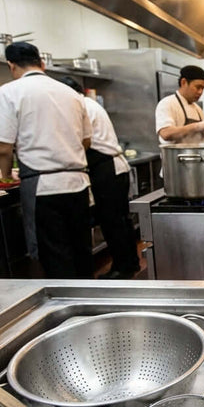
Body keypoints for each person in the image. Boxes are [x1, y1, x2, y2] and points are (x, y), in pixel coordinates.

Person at [0, 42, 93, 279]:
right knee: (81, 251)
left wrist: (4, 175)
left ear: (10, 65)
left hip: (43, 188)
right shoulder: (72, 93)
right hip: (78, 183)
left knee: (55, 256)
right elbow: (86, 141)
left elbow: (3, 149)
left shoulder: (9, 91)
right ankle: (93, 306)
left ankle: (69, 312)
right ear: (41, 63)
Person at [60, 77, 141, 280]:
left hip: (106, 168)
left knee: (112, 222)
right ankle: (130, 263)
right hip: (114, 166)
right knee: (122, 221)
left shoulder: (79, 106)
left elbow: (81, 141)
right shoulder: (90, 103)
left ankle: (121, 269)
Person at [155, 65, 204, 144]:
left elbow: (203, 141)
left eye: (203, 88)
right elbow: (166, 133)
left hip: (197, 155)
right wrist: (197, 126)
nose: (200, 92)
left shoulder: (198, 109)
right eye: (198, 87)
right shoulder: (167, 103)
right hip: (176, 156)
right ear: (183, 82)